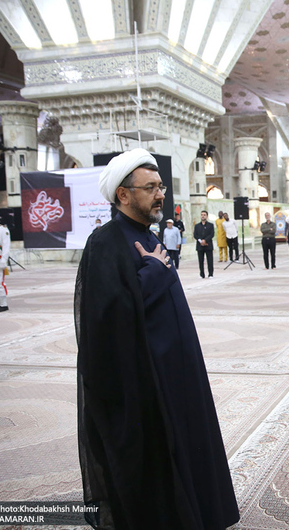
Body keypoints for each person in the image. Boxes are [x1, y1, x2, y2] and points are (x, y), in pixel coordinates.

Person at [76, 148, 239, 529]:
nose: (160, 194)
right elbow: (106, 317)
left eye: (160, 186)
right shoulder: (106, 242)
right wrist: (151, 272)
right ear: (123, 195)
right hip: (146, 381)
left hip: (177, 371)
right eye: (149, 187)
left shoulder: (146, 236)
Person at [194, 210, 214, 278]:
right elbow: (195, 235)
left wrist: (205, 240)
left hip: (208, 245)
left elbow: (212, 234)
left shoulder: (210, 225)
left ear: (207, 216)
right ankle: (202, 274)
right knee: (201, 261)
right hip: (200, 245)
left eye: (204, 215)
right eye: (202, 215)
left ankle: (210, 274)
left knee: (210, 260)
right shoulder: (197, 226)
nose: (203, 216)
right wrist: (201, 241)